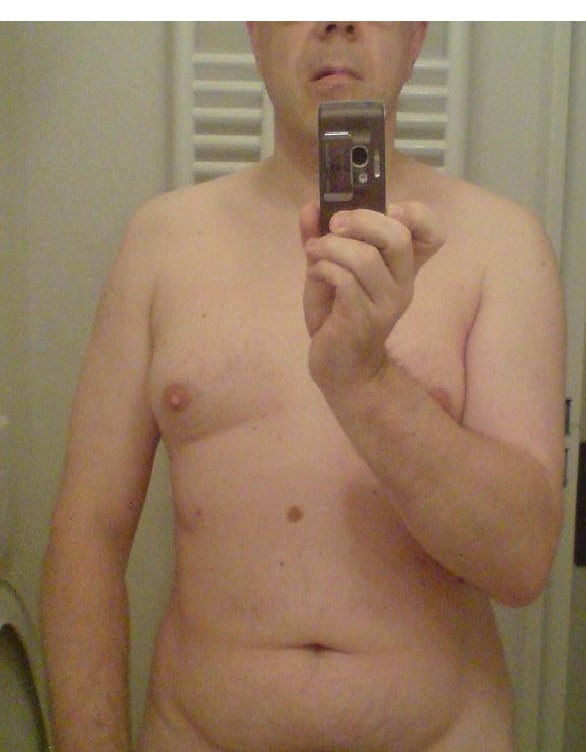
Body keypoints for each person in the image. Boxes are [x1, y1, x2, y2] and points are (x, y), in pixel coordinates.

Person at [41, 21, 566, 752]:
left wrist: (365, 381)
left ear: (416, 35)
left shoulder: (502, 243)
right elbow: (87, 539)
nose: (337, 19)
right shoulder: (159, 243)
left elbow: (521, 562)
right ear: (255, 31)